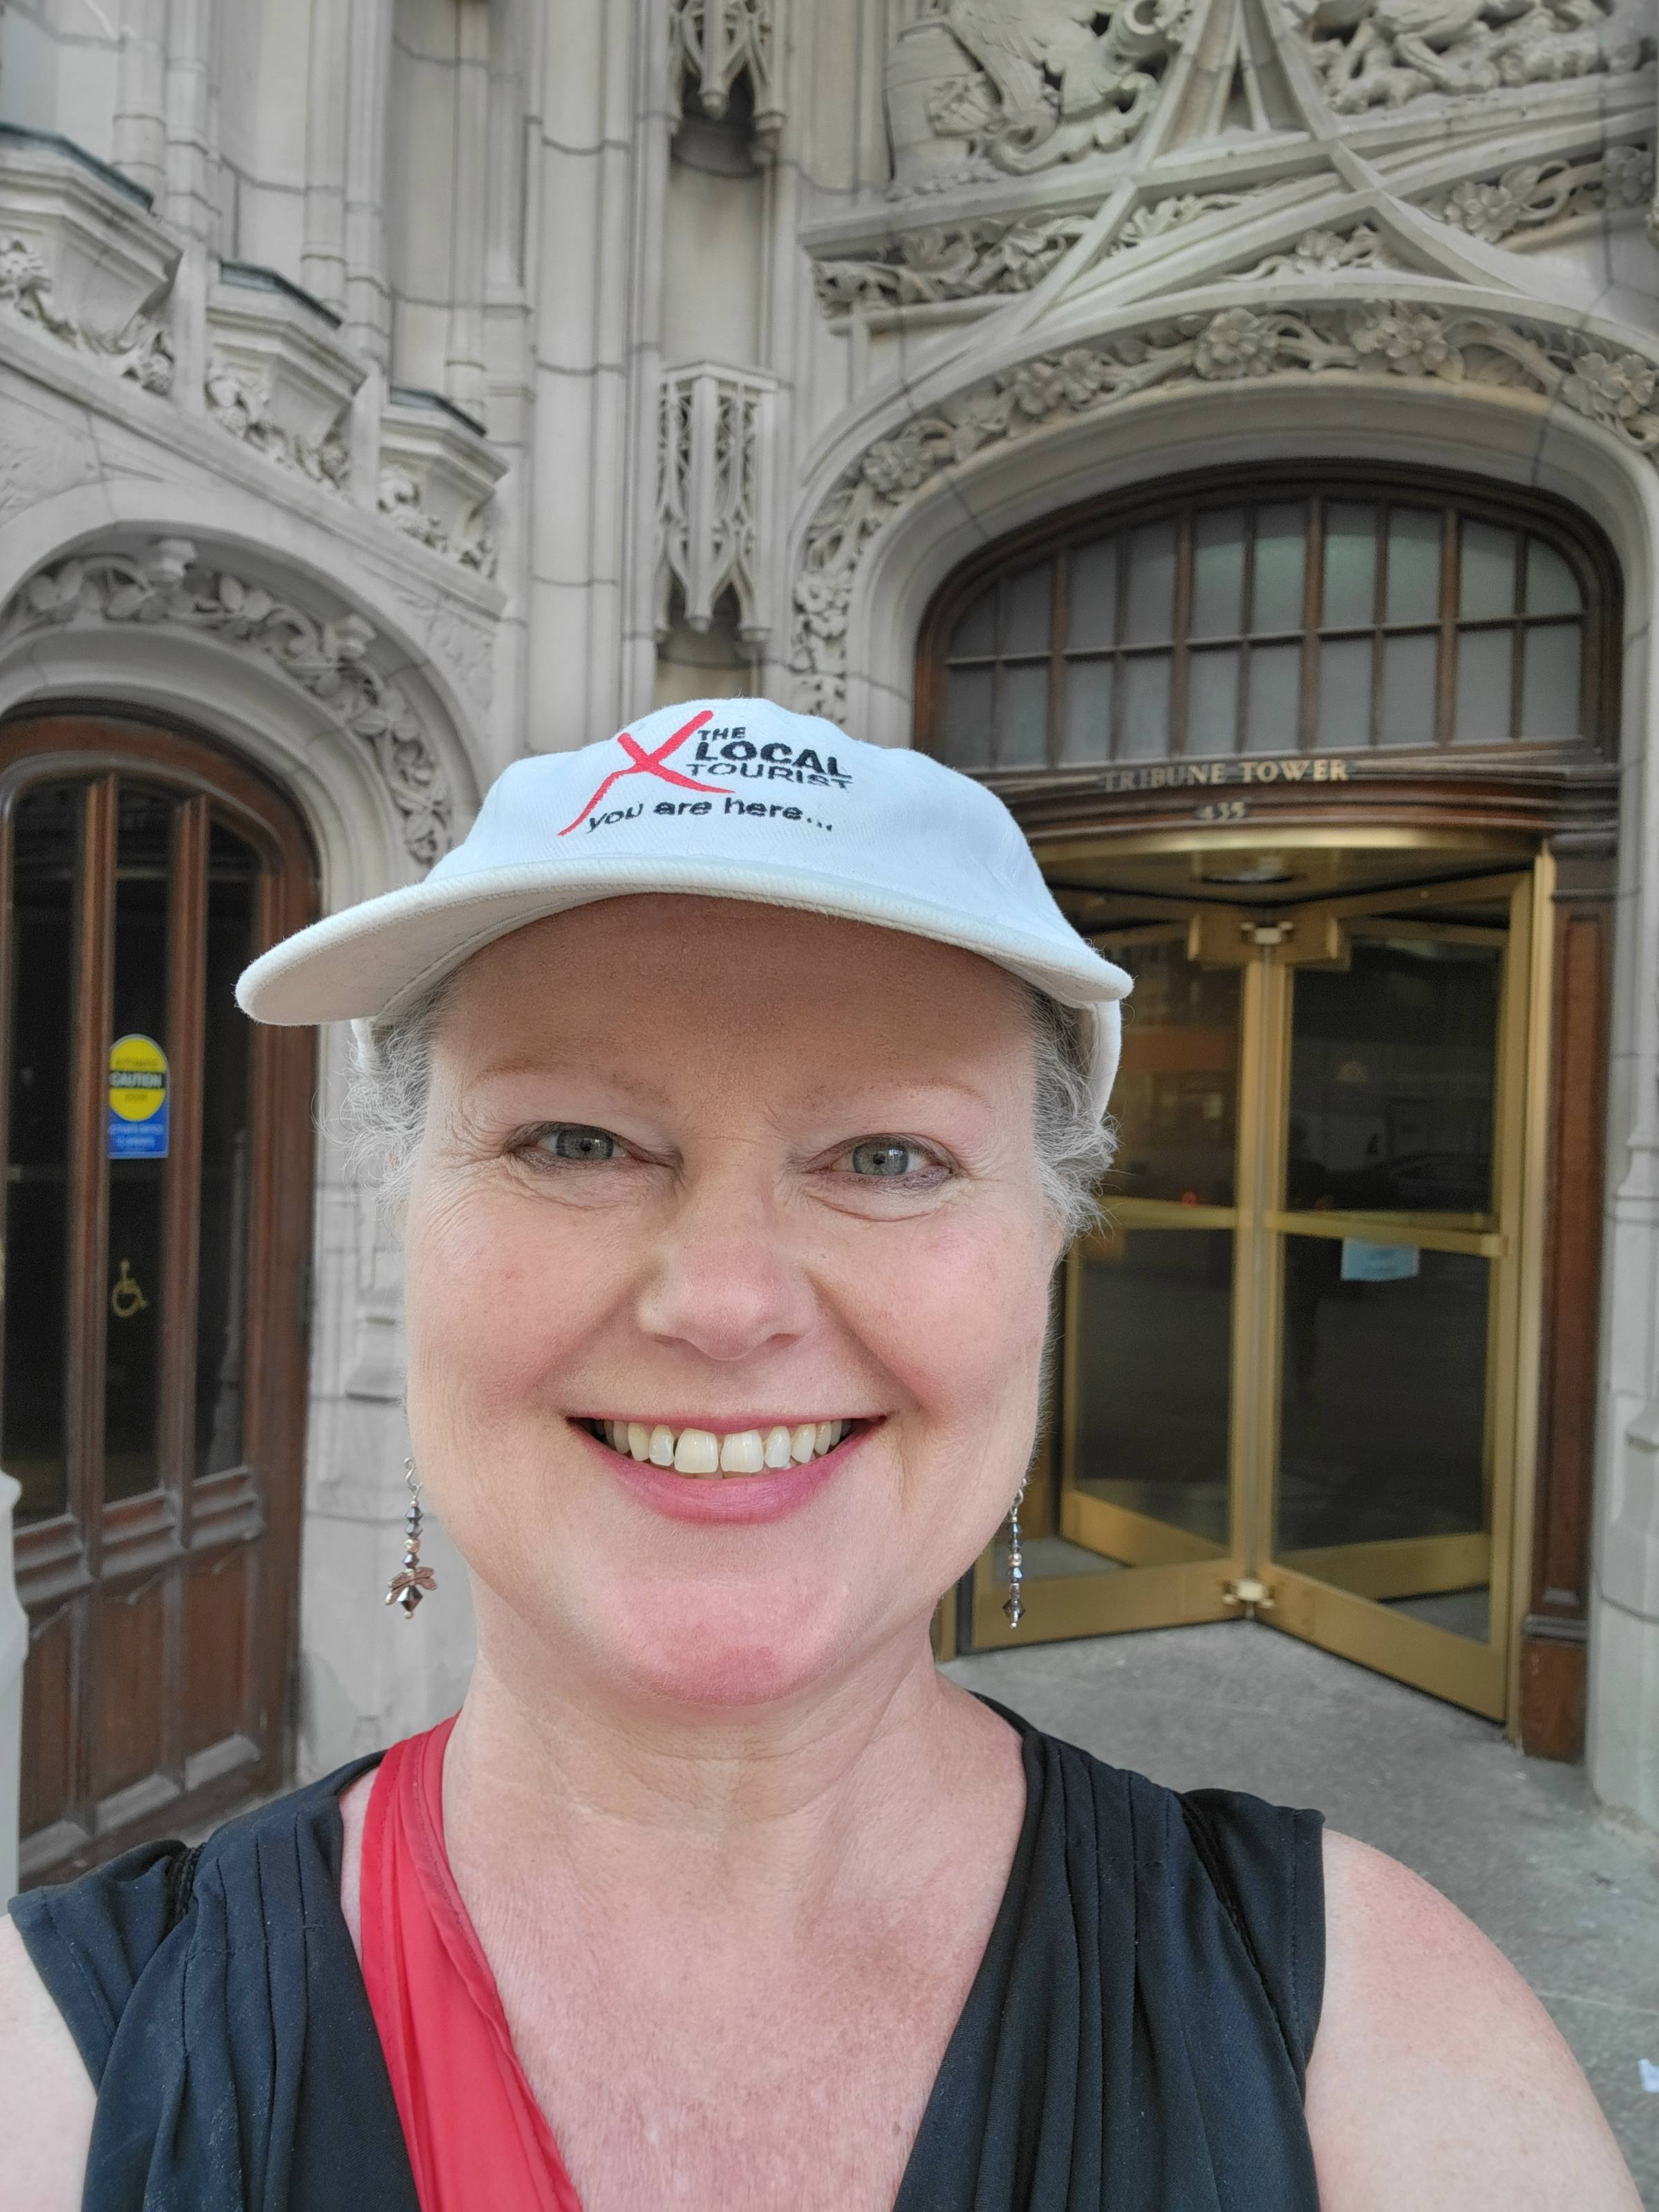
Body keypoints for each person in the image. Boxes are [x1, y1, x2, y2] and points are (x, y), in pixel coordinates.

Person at [1, 700, 1639, 2211]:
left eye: (888, 1154)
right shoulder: (64, 2077)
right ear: (399, 1239)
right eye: (573, 1140)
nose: (725, 1300)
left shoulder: (1375, 2047)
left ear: (1047, 1261)